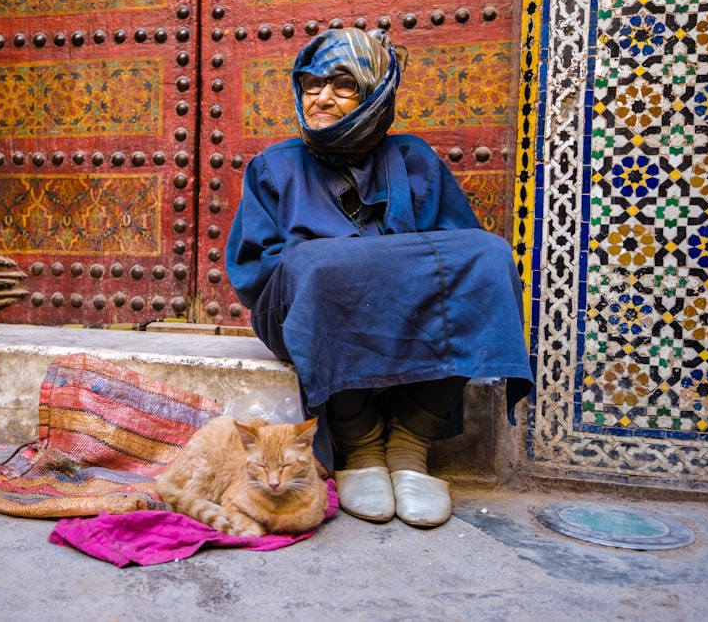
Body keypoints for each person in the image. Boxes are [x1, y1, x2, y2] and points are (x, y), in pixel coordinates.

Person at [225, 28, 533, 528]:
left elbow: (454, 264)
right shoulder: (273, 168)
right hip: (308, 315)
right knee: (321, 266)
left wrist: (385, 275)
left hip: (407, 320)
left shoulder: (414, 162)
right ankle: (361, 443)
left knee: (488, 256)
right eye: (311, 83)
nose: (321, 96)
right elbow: (257, 271)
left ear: (374, 94)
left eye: (343, 84)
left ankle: (412, 442)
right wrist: (347, 269)